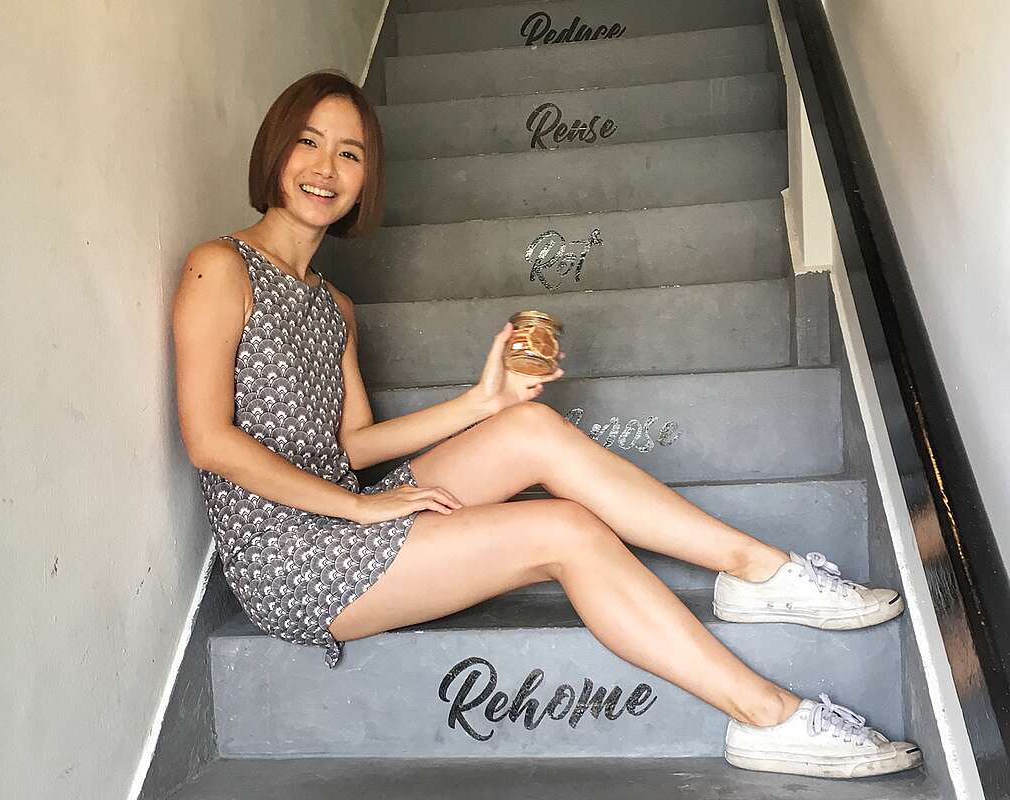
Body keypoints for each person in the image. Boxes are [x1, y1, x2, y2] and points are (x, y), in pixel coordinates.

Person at [172, 70, 923, 780]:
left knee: (529, 430)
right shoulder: (220, 268)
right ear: (275, 149)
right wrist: (361, 505)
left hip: (341, 516)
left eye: (349, 152)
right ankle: (766, 716)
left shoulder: (334, 306)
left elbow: (352, 446)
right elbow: (210, 441)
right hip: (287, 560)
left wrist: (484, 402)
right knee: (563, 530)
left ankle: (756, 569)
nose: (325, 167)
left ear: (367, 177)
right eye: (308, 141)